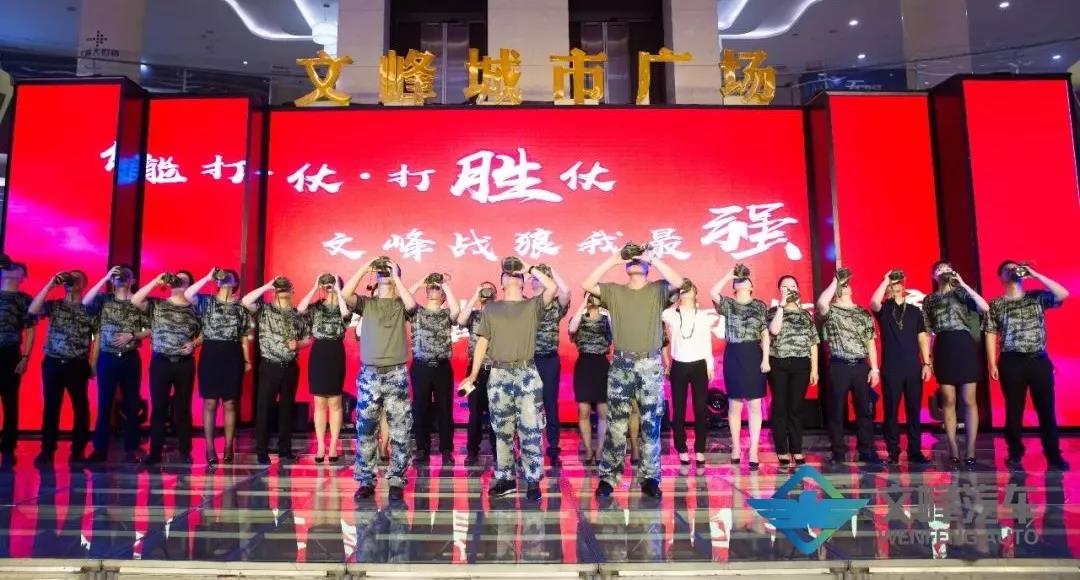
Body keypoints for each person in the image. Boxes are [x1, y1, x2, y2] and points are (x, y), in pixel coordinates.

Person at [583, 249, 684, 499]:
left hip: (650, 363)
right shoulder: (614, 291)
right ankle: (608, 478)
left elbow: (679, 283)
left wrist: (653, 258)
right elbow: (587, 284)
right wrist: (614, 259)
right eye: (632, 259)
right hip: (621, 364)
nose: (635, 261)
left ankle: (650, 478)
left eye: (640, 260)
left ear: (647, 267)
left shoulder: (658, 289)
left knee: (651, 424)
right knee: (616, 425)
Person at [458, 258, 557, 501]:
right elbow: (482, 342)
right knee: (502, 430)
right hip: (498, 374)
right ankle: (506, 478)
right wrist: (473, 375)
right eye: (507, 274)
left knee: (530, 429)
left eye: (516, 274)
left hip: (526, 373)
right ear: (501, 283)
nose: (512, 276)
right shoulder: (491, 309)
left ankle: (532, 480)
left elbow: (553, 288)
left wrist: (529, 268)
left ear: (523, 282)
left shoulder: (532, 305)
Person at [342, 258, 416, 501]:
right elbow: (345, 294)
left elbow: (412, 305)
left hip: (396, 373)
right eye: (382, 271)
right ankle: (366, 480)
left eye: (389, 270)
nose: (385, 273)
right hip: (369, 374)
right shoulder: (367, 304)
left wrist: (395, 276)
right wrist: (366, 267)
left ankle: (397, 480)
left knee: (400, 430)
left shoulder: (400, 304)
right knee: (366, 429)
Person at [985, 260, 1070, 471]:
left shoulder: (1036, 297)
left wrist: (1035, 274)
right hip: (1011, 361)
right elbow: (990, 332)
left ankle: (1053, 454)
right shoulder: (996, 304)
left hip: (1038, 360)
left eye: (1015, 268)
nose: (1012, 271)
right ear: (1000, 277)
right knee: (1014, 411)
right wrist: (992, 362)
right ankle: (1015, 453)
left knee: (1046, 409)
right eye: (1007, 269)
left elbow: (1063, 294)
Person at [922, 261, 989, 467]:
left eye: (947, 268)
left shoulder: (962, 293)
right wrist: (927, 360)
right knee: (948, 399)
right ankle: (952, 447)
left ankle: (970, 449)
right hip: (944, 345)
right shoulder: (930, 300)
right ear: (933, 276)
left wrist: (963, 284)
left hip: (964, 344)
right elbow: (927, 331)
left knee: (969, 399)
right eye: (939, 269)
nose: (943, 272)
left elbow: (984, 307)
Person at [132, 271, 201, 465]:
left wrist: (194, 344)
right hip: (161, 362)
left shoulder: (195, 308)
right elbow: (136, 300)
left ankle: (185, 451)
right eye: (176, 279)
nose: (178, 282)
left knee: (183, 408)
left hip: (184, 363)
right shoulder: (157, 305)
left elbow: (205, 332)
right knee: (159, 408)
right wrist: (156, 280)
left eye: (183, 280)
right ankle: (155, 452)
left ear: (189, 286)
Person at [83, 266, 150, 463]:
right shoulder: (104, 300)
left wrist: (133, 335)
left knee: (131, 405)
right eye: (117, 276)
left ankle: (131, 449)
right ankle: (99, 449)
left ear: (132, 280)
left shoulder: (138, 301)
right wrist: (105, 277)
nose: (120, 278)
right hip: (108, 357)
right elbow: (86, 301)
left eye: (125, 276)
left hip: (130, 358)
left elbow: (151, 328)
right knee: (104, 403)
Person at [185, 268, 252, 465]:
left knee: (230, 403)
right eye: (223, 278)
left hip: (233, 354)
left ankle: (229, 446)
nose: (226, 280)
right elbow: (188, 294)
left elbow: (244, 336)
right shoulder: (207, 302)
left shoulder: (241, 307)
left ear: (236, 283)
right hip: (211, 353)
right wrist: (208, 277)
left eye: (230, 278)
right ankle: (209, 448)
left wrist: (247, 360)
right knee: (210, 402)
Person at [242, 276, 311, 465]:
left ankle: (285, 450)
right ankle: (261, 451)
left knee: (286, 410)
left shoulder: (297, 314)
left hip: (290, 368)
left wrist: (298, 344)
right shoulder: (264, 310)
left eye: (287, 287)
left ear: (292, 291)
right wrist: (267, 285)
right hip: (269, 366)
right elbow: (246, 301)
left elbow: (308, 338)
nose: (283, 290)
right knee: (264, 410)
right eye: (280, 288)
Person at [816, 268, 883, 466]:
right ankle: (838, 452)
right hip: (839, 365)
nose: (845, 286)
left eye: (846, 284)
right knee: (836, 410)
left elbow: (870, 342)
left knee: (865, 410)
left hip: (861, 366)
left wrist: (875, 369)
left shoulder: (862, 313)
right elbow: (821, 303)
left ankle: (866, 450)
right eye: (841, 285)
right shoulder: (831, 310)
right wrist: (835, 281)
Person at [29, 270, 93, 464]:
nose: (71, 281)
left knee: (80, 407)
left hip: (77, 364)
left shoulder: (89, 308)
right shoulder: (55, 305)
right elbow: (33, 310)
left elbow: (97, 337)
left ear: (83, 285)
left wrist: (93, 363)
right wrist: (51, 284)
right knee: (51, 407)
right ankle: (47, 449)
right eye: (69, 278)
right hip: (53, 363)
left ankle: (78, 450)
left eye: (76, 279)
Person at [870, 270, 934, 465]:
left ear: (904, 285)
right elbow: (873, 302)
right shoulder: (884, 309)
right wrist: (885, 280)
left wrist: (927, 363)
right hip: (891, 367)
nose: (896, 285)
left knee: (914, 410)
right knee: (891, 411)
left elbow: (922, 338)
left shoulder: (915, 311)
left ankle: (915, 451)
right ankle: (893, 451)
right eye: (893, 282)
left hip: (913, 367)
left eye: (899, 282)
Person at [710, 268, 769, 471]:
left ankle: (753, 450)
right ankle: (736, 447)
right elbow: (712, 292)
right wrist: (729, 275)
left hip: (753, 353)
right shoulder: (729, 304)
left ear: (752, 286)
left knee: (755, 405)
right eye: (739, 280)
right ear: (734, 287)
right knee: (734, 405)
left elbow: (765, 334)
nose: (742, 281)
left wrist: (766, 359)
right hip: (734, 354)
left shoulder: (760, 305)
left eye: (746, 279)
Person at [298, 274, 351, 464]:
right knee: (319, 401)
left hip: (335, 352)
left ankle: (334, 445)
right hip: (319, 352)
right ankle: (321, 445)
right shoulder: (316, 307)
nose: (329, 287)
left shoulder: (344, 306)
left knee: (335, 402)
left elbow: (346, 316)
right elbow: (300, 309)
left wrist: (339, 292)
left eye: (333, 284)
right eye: (326, 284)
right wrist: (315, 286)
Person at [406, 273, 459, 463]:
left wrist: (445, 284)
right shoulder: (417, 312)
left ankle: (446, 449)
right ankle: (422, 448)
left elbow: (456, 310)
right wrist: (421, 282)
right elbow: (404, 299)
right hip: (421, 367)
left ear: (443, 295)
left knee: (445, 408)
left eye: (438, 288)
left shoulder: (446, 314)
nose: (434, 289)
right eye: (432, 287)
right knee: (421, 408)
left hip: (442, 367)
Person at [767, 275, 818, 468]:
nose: (789, 289)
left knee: (796, 408)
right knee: (780, 407)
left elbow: (813, 343)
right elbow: (774, 331)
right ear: (779, 290)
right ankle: (782, 449)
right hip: (778, 363)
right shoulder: (773, 312)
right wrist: (781, 306)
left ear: (798, 289)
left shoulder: (805, 315)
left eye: (793, 286)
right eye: (785, 286)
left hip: (801, 365)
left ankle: (796, 449)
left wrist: (814, 369)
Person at [662, 281, 714, 466]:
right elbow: (661, 312)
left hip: (699, 365)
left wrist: (710, 365)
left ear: (695, 292)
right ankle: (681, 448)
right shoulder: (671, 314)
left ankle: (700, 449)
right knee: (679, 409)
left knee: (701, 409)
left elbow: (707, 341)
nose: (685, 291)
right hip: (679, 365)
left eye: (688, 288)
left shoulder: (703, 316)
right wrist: (674, 299)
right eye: (682, 289)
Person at [530, 263, 571, 464]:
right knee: (530, 405)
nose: (537, 280)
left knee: (550, 404)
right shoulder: (526, 304)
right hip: (530, 361)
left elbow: (567, 291)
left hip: (550, 361)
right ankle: (530, 444)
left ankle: (553, 446)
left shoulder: (556, 305)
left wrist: (551, 270)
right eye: (535, 277)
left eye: (541, 277)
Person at [457, 282, 498, 466]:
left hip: (496, 369)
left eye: (490, 290)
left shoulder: (500, 315)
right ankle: (472, 450)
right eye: (484, 290)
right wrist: (475, 294)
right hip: (475, 370)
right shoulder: (474, 316)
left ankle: (498, 451)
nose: (486, 293)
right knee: (474, 412)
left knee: (496, 412)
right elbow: (460, 320)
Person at [568, 292, 612, 464]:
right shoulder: (579, 317)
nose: (592, 298)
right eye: (589, 295)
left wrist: (608, 313)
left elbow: (615, 334)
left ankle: (600, 449)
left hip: (601, 364)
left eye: (595, 295)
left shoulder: (605, 318)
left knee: (603, 411)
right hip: (584, 365)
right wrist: (583, 305)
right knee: (584, 411)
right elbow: (572, 329)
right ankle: (588, 449)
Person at [0, 259, 36, 463]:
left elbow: (30, 330)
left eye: (17, 268)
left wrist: (25, 357)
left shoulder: (24, 300)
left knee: (10, 400)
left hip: (10, 352)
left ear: (23, 277)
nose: (12, 269)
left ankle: (8, 446)